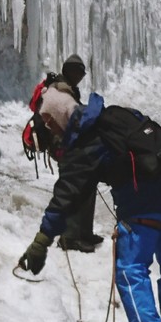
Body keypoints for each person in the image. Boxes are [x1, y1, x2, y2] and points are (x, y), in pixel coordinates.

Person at [16, 88, 161, 322]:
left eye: (49, 123)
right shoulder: (116, 115)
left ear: (55, 118)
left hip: (141, 204)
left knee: (130, 267)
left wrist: (42, 240)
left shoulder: (85, 142)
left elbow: (65, 197)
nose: (50, 130)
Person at [30, 54, 101, 251]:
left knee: (86, 186)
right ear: (70, 71)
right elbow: (72, 121)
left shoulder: (63, 89)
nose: (81, 77)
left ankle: (84, 232)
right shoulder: (61, 94)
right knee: (75, 190)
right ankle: (70, 237)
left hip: (66, 146)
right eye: (79, 73)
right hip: (63, 148)